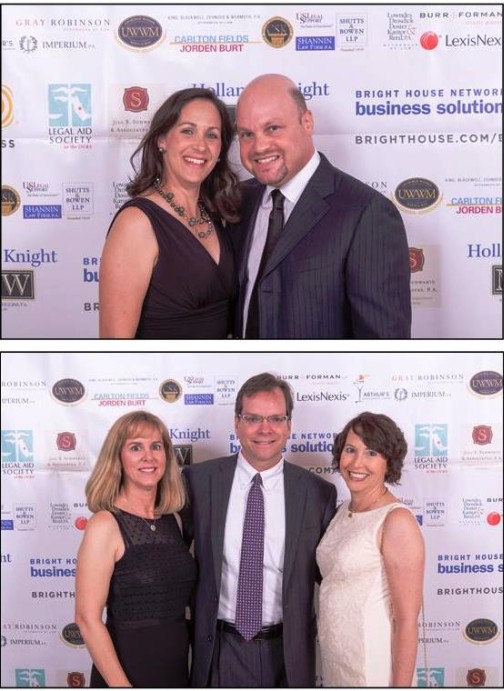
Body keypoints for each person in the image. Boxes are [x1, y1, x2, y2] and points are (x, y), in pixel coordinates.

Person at [180, 372, 337, 687]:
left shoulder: (318, 493)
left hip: (288, 653)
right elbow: (171, 560)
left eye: (276, 419)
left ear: (289, 425)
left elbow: (333, 576)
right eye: (253, 418)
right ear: (237, 422)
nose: (265, 429)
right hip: (219, 649)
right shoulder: (199, 481)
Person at [232, 74, 411, 339]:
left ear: (307, 122)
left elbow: (383, 344)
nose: (259, 146)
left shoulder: (367, 213)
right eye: (247, 134)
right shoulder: (238, 201)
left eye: (272, 128)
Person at [99, 88, 240, 338]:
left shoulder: (214, 214)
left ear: (220, 151)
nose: (200, 146)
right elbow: (114, 343)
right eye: (187, 131)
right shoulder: (137, 223)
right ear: (162, 139)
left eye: (212, 135)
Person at [74, 411, 195, 687]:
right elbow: (86, 619)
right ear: (117, 457)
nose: (148, 456)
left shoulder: (173, 520)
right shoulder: (105, 524)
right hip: (126, 671)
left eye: (156, 446)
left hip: (175, 670)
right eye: (135, 447)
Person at [317, 412, 425, 687]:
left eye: (371, 453)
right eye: (350, 450)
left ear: (389, 462)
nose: (356, 463)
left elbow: (407, 621)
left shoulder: (396, 520)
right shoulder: (342, 512)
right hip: (337, 665)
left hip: (373, 668)